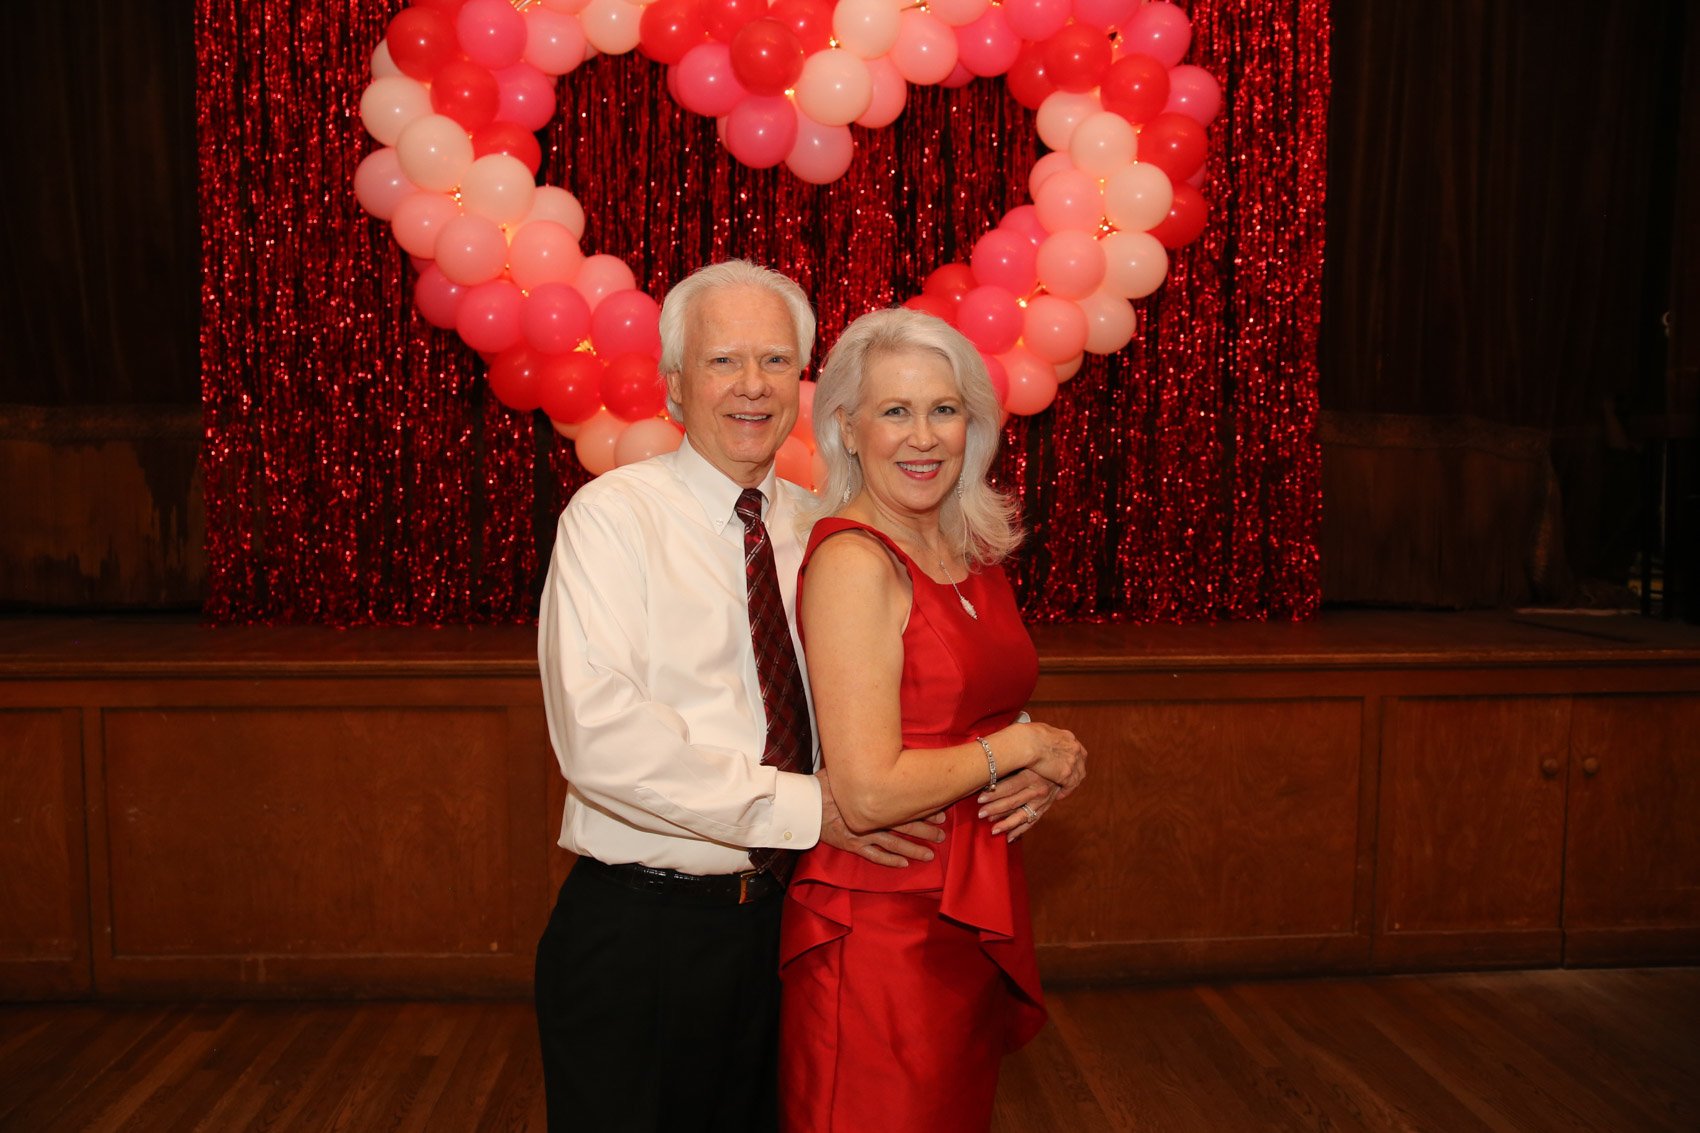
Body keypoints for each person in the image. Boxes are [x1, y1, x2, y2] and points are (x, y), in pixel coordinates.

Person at [534, 261, 948, 1133]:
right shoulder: (611, 520)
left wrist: (1015, 746)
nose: (753, 385)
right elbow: (601, 740)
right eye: (723, 360)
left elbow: (922, 677)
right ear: (674, 384)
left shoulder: (830, 529)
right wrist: (808, 807)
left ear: (803, 383)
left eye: (776, 360)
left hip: (797, 926)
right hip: (644, 936)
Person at [778, 308, 1089, 1132]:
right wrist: (1019, 746)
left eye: (943, 409)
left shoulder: (968, 550)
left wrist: (1044, 759)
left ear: (972, 424)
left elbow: (971, 707)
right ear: (848, 428)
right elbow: (868, 791)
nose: (923, 436)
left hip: (967, 912)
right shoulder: (854, 560)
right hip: (884, 927)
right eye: (895, 411)